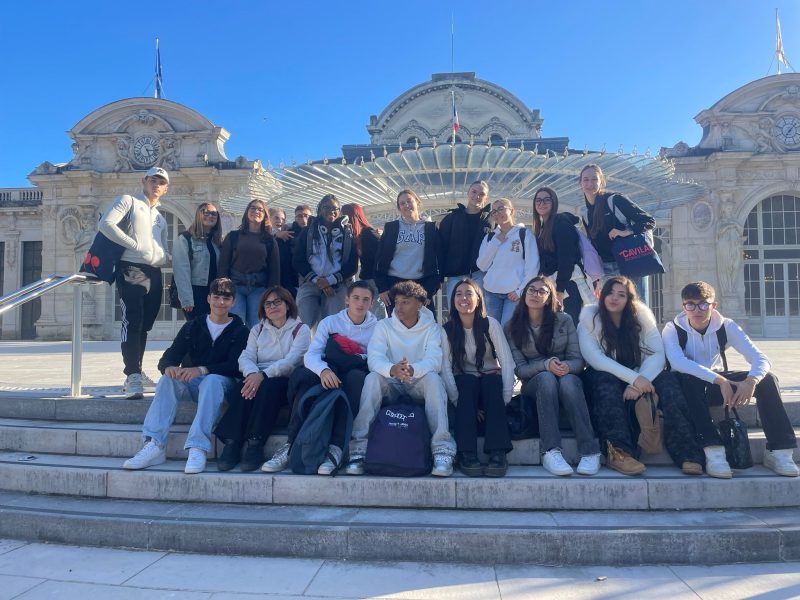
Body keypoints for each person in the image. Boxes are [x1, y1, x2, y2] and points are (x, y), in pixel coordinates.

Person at [663, 281, 799, 478]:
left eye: (703, 304)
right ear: (683, 306)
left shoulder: (726, 326)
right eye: (690, 304)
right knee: (689, 379)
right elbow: (677, 362)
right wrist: (719, 380)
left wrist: (751, 380)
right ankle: (714, 451)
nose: (697, 310)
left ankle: (779, 451)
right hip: (690, 388)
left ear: (713, 305)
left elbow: (760, 358)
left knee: (768, 379)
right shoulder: (672, 328)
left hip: (718, 384)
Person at [577, 276, 705, 476]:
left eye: (621, 295)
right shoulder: (589, 320)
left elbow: (657, 354)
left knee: (668, 380)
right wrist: (635, 380)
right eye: (610, 292)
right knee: (604, 379)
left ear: (630, 299)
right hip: (605, 377)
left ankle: (688, 452)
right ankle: (618, 452)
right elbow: (595, 359)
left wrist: (638, 380)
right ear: (601, 295)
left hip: (640, 375)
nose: (614, 298)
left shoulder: (642, 319)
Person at [122, 278, 249, 474]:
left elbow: (234, 366)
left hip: (224, 385)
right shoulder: (193, 326)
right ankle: (154, 444)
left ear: (233, 302)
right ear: (208, 299)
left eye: (226, 298)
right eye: (216, 297)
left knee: (212, 381)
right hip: (196, 385)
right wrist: (169, 368)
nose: (220, 302)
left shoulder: (240, 330)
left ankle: (197, 446)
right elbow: (168, 358)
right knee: (167, 379)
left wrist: (202, 369)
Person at [262, 280, 378, 475]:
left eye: (365, 300)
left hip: (354, 371)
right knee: (306, 377)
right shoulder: (330, 322)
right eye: (356, 298)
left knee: (357, 380)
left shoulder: (377, 326)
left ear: (372, 303)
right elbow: (312, 354)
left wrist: (352, 356)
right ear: (346, 300)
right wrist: (323, 371)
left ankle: (337, 448)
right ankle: (291, 444)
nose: (360, 303)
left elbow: (375, 357)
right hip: (329, 368)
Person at [345, 280, 456, 477]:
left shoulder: (432, 328)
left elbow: (434, 361)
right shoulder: (384, 326)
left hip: (418, 381)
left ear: (420, 304)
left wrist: (412, 370)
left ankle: (442, 450)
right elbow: (374, 359)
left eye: (405, 302)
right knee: (372, 379)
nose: (399, 307)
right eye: (396, 302)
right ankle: (359, 451)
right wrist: (393, 369)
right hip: (393, 381)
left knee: (434, 380)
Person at [505, 277, 600, 476]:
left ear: (549, 298)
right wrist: (545, 365)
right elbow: (520, 370)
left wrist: (566, 366)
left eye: (542, 291)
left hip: (566, 377)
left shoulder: (564, 320)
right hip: (534, 383)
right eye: (531, 290)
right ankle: (550, 451)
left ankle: (590, 451)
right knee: (547, 378)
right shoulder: (512, 327)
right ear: (524, 294)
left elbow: (578, 360)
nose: (535, 294)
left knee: (568, 381)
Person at [213, 286, 310, 472]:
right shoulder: (257, 329)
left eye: (277, 302)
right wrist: (251, 374)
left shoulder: (301, 329)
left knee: (268, 387)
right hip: (257, 376)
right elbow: (246, 356)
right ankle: (232, 443)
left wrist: (263, 375)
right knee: (242, 389)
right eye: (268, 304)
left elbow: (292, 361)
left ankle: (255, 442)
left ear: (288, 305)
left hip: (284, 380)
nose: (272, 307)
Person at [99, 166, 171, 399]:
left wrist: (167, 257)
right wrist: (134, 245)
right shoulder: (127, 201)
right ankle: (132, 375)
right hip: (131, 268)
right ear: (143, 181)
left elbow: (162, 246)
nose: (156, 185)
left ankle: (137, 371)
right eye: (153, 180)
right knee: (133, 319)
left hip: (155, 271)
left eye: (161, 182)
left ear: (166, 188)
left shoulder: (160, 217)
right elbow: (106, 225)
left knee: (145, 324)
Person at [440, 279, 514, 477]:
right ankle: (467, 453)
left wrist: (506, 397)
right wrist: (457, 400)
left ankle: (498, 453)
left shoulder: (491, 324)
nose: (463, 298)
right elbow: (445, 368)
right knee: (465, 382)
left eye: (469, 293)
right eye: (458, 294)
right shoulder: (447, 330)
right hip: (465, 390)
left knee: (491, 382)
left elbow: (507, 362)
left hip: (491, 385)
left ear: (478, 298)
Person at [579, 164, 655, 301]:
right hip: (605, 269)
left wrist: (626, 231)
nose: (590, 183)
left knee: (637, 311)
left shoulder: (615, 200)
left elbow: (648, 221)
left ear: (602, 181)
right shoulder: (585, 213)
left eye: (594, 179)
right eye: (585, 180)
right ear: (580, 184)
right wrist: (595, 279)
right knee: (611, 313)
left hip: (629, 262)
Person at [293, 194, 358, 329]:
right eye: (326, 207)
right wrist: (318, 280)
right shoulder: (308, 232)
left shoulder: (347, 233)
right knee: (302, 326)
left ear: (339, 211)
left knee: (334, 327)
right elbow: (298, 260)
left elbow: (352, 265)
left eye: (335, 208)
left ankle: (330, 350)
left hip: (337, 285)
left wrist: (330, 280)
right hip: (310, 283)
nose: (331, 211)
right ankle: (302, 350)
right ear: (320, 210)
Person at [374, 190, 441, 313]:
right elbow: (380, 258)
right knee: (398, 326)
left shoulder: (430, 228)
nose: (406, 205)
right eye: (402, 203)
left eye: (409, 201)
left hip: (421, 285)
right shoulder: (391, 228)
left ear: (417, 202)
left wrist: (430, 290)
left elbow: (439, 259)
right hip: (394, 285)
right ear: (399, 208)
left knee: (426, 323)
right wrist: (382, 287)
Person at [218, 199, 280, 329]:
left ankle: (255, 350)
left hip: (259, 288)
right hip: (235, 286)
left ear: (265, 216)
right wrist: (222, 286)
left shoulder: (269, 240)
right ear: (247, 212)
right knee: (236, 325)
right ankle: (238, 350)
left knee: (257, 326)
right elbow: (224, 263)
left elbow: (274, 269)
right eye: (252, 208)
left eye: (260, 209)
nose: (256, 211)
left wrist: (273, 291)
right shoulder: (233, 236)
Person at [476, 198, 539, 325]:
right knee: (492, 331)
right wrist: (496, 242)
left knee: (508, 329)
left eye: (501, 208)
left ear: (511, 210)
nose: (497, 213)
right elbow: (482, 265)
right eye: (494, 211)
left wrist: (520, 291)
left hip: (513, 294)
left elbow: (533, 266)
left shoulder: (524, 234)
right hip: (491, 292)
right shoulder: (489, 237)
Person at [531, 186, 586, 325]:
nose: (542, 203)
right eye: (538, 200)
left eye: (546, 200)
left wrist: (560, 290)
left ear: (554, 202)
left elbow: (566, 258)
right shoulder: (543, 227)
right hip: (554, 285)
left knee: (569, 327)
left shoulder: (561, 222)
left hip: (566, 286)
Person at [438, 180, 492, 300]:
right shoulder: (451, 219)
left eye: (481, 194)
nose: (477, 196)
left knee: (479, 313)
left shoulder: (490, 220)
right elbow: (441, 248)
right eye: (474, 192)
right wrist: (439, 276)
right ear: (468, 193)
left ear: (486, 198)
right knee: (456, 312)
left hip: (481, 274)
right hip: (456, 275)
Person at [172, 202, 222, 320]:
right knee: (197, 331)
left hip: (215, 294)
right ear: (198, 215)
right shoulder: (185, 239)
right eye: (206, 212)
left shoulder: (218, 242)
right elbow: (181, 270)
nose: (210, 216)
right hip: (196, 293)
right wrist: (186, 299)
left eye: (214, 214)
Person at [341, 203, 386, 319]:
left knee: (376, 315)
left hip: (375, 281)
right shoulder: (361, 235)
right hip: (369, 280)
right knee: (373, 314)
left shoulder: (368, 235)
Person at [269, 207, 298, 298]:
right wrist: (274, 234)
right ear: (269, 219)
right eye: (276, 218)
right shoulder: (265, 237)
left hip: (288, 282)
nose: (280, 221)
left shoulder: (287, 236)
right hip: (271, 281)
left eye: (283, 219)